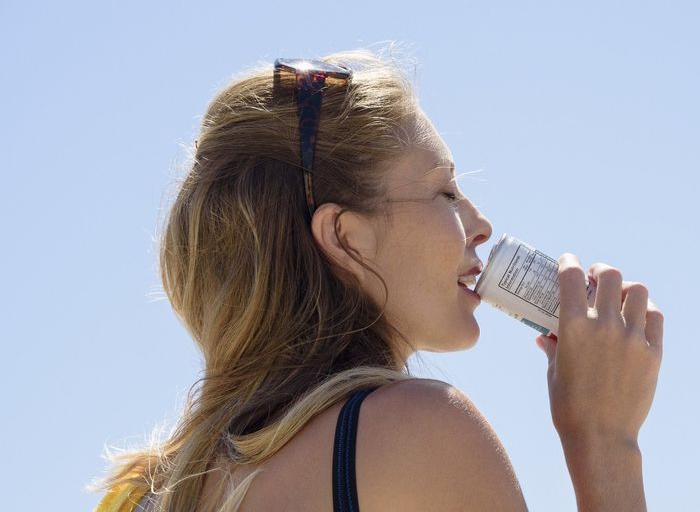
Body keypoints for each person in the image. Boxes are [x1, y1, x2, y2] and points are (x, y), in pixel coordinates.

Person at [89, 47, 664, 512]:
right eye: (445, 192)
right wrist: (605, 438)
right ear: (345, 238)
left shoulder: (140, 495)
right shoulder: (417, 432)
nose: (481, 224)